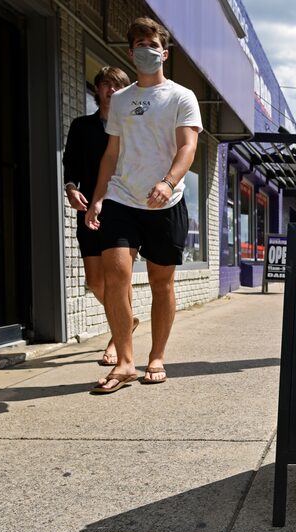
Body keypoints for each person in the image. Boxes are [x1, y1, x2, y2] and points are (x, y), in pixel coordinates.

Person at [85, 17, 202, 393]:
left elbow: (188, 146)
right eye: (137, 44)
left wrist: (169, 182)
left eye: (151, 44)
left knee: (161, 281)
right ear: (130, 51)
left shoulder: (181, 96)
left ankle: (156, 356)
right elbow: (111, 153)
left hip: (167, 202)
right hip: (122, 197)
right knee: (115, 274)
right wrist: (99, 197)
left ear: (163, 52)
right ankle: (124, 362)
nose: (144, 50)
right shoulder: (120, 100)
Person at [62, 66, 136, 367]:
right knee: (95, 281)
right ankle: (127, 321)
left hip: (123, 209)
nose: (111, 89)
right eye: (106, 84)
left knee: (119, 277)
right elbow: (71, 163)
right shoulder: (82, 126)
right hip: (92, 207)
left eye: (118, 85)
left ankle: (118, 346)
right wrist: (70, 188)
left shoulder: (132, 126)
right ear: (97, 91)